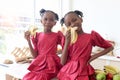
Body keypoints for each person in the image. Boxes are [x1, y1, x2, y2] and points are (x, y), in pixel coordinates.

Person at [57, 10, 114, 80]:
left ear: (81, 19)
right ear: (68, 27)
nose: (73, 24)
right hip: (68, 70)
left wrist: (92, 57)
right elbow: (62, 62)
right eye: (69, 24)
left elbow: (110, 47)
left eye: (74, 20)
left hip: (84, 69)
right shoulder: (66, 39)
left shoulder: (91, 36)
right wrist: (67, 42)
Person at [22, 9, 64, 80]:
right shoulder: (37, 35)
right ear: (41, 21)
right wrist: (28, 41)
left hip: (51, 63)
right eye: (45, 19)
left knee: (43, 76)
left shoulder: (57, 35)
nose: (48, 22)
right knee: (28, 77)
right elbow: (35, 56)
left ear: (55, 23)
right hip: (39, 62)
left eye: (51, 20)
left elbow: (65, 47)